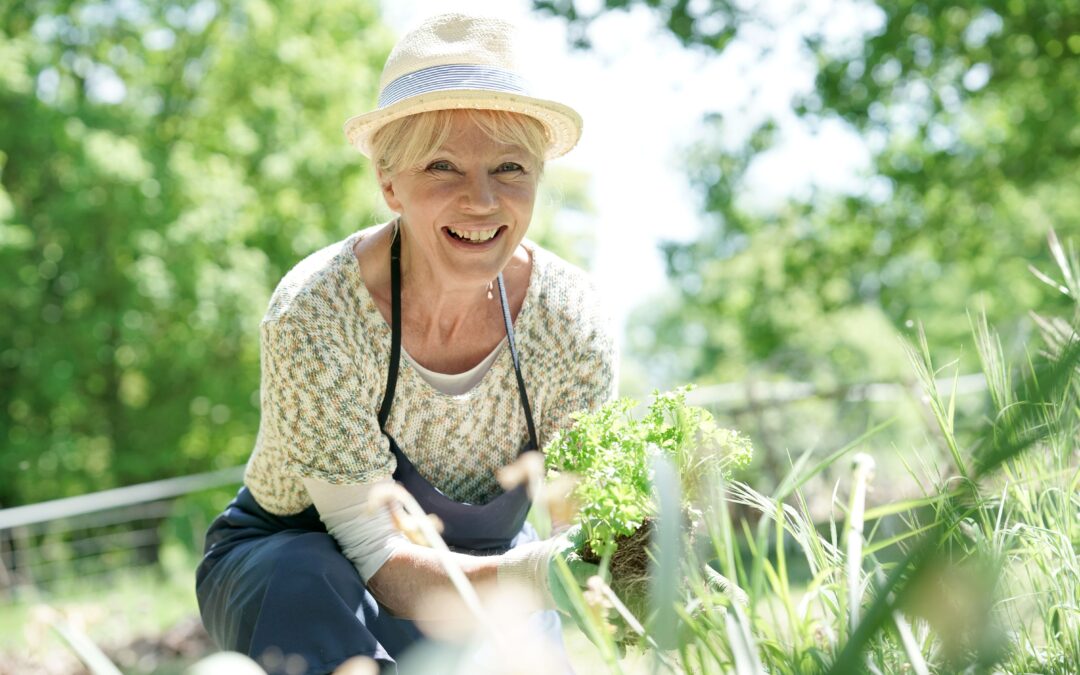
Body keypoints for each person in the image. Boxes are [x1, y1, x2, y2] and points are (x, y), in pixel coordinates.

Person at [194, 12, 618, 675]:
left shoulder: (571, 319)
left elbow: (579, 514)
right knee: (303, 569)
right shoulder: (318, 312)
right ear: (390, 184)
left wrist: (621, 554)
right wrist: (538, 576)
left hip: (492, 570)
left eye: (509, 167)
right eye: (443, 166)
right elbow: (376, 552)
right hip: (304, 578)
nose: (481, 200)